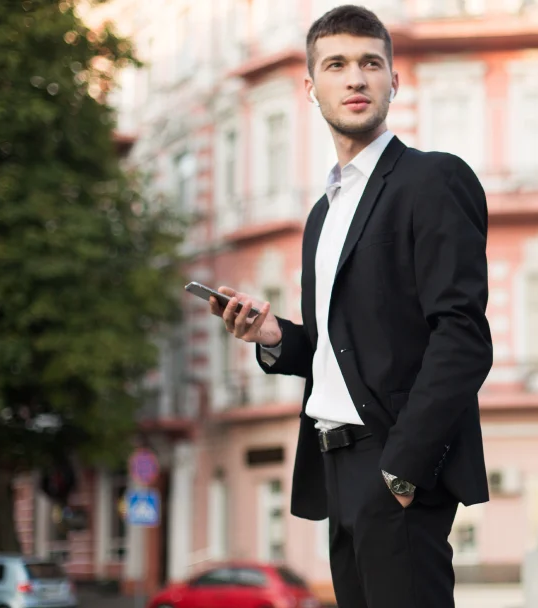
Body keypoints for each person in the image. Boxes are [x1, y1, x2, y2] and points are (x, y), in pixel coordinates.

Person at [208, 5, 493, 607]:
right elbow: (341, 350)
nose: (356, 78)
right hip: (334, 463)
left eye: (371, 63)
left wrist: (403, 468)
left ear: (395, 79)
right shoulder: (323, 214)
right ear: (311, 88)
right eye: (336, 65)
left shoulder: (432, 180)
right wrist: (272, 335)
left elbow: (463, 335)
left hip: (394, 463)